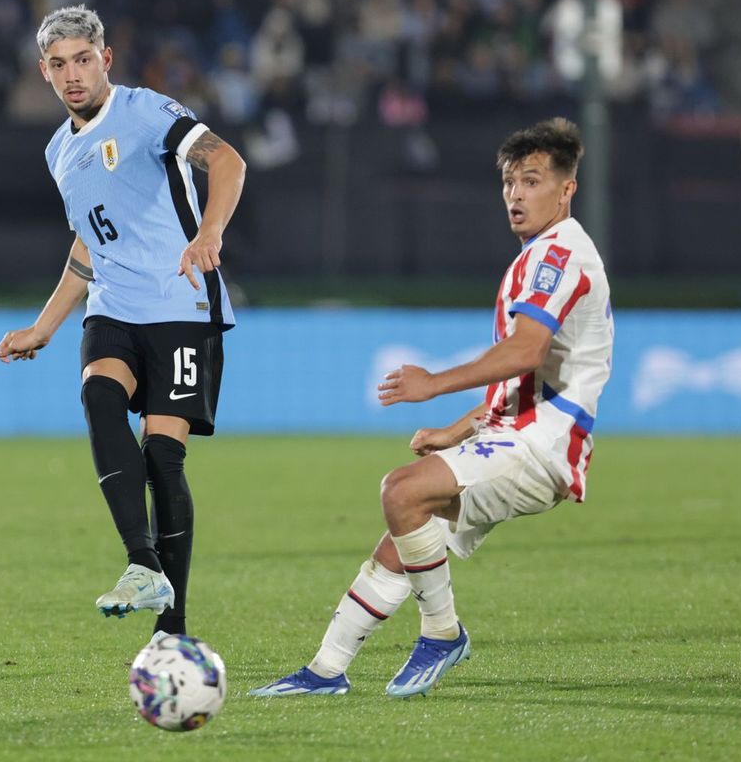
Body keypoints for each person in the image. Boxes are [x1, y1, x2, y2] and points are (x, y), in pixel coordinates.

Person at [250, 118, 613, 698]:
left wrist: (434, 384)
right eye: (510, 182)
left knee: (402, 492)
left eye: (532, 181)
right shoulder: (543, 253)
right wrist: (458, 429)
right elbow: (527, 375)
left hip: (542, 446)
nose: (516, 195)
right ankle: (325, 671)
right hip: (518, 434)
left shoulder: (558, 255)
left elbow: (526, 350)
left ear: (567, 189)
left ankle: (443, 634)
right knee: (403, 538)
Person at [0, 5, 246, 640]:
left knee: (163, 459)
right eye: (59, 64)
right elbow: (87, 246)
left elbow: (227, 162)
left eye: (83, 59)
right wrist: (45, 327)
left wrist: (209, 231)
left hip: (182, 303)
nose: (73, 74)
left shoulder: (147, 112)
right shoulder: (59, 151)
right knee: (99, 395)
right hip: (112, 306)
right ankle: (141, 563)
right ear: (43, 73)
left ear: (105, 59)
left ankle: (173, 629)